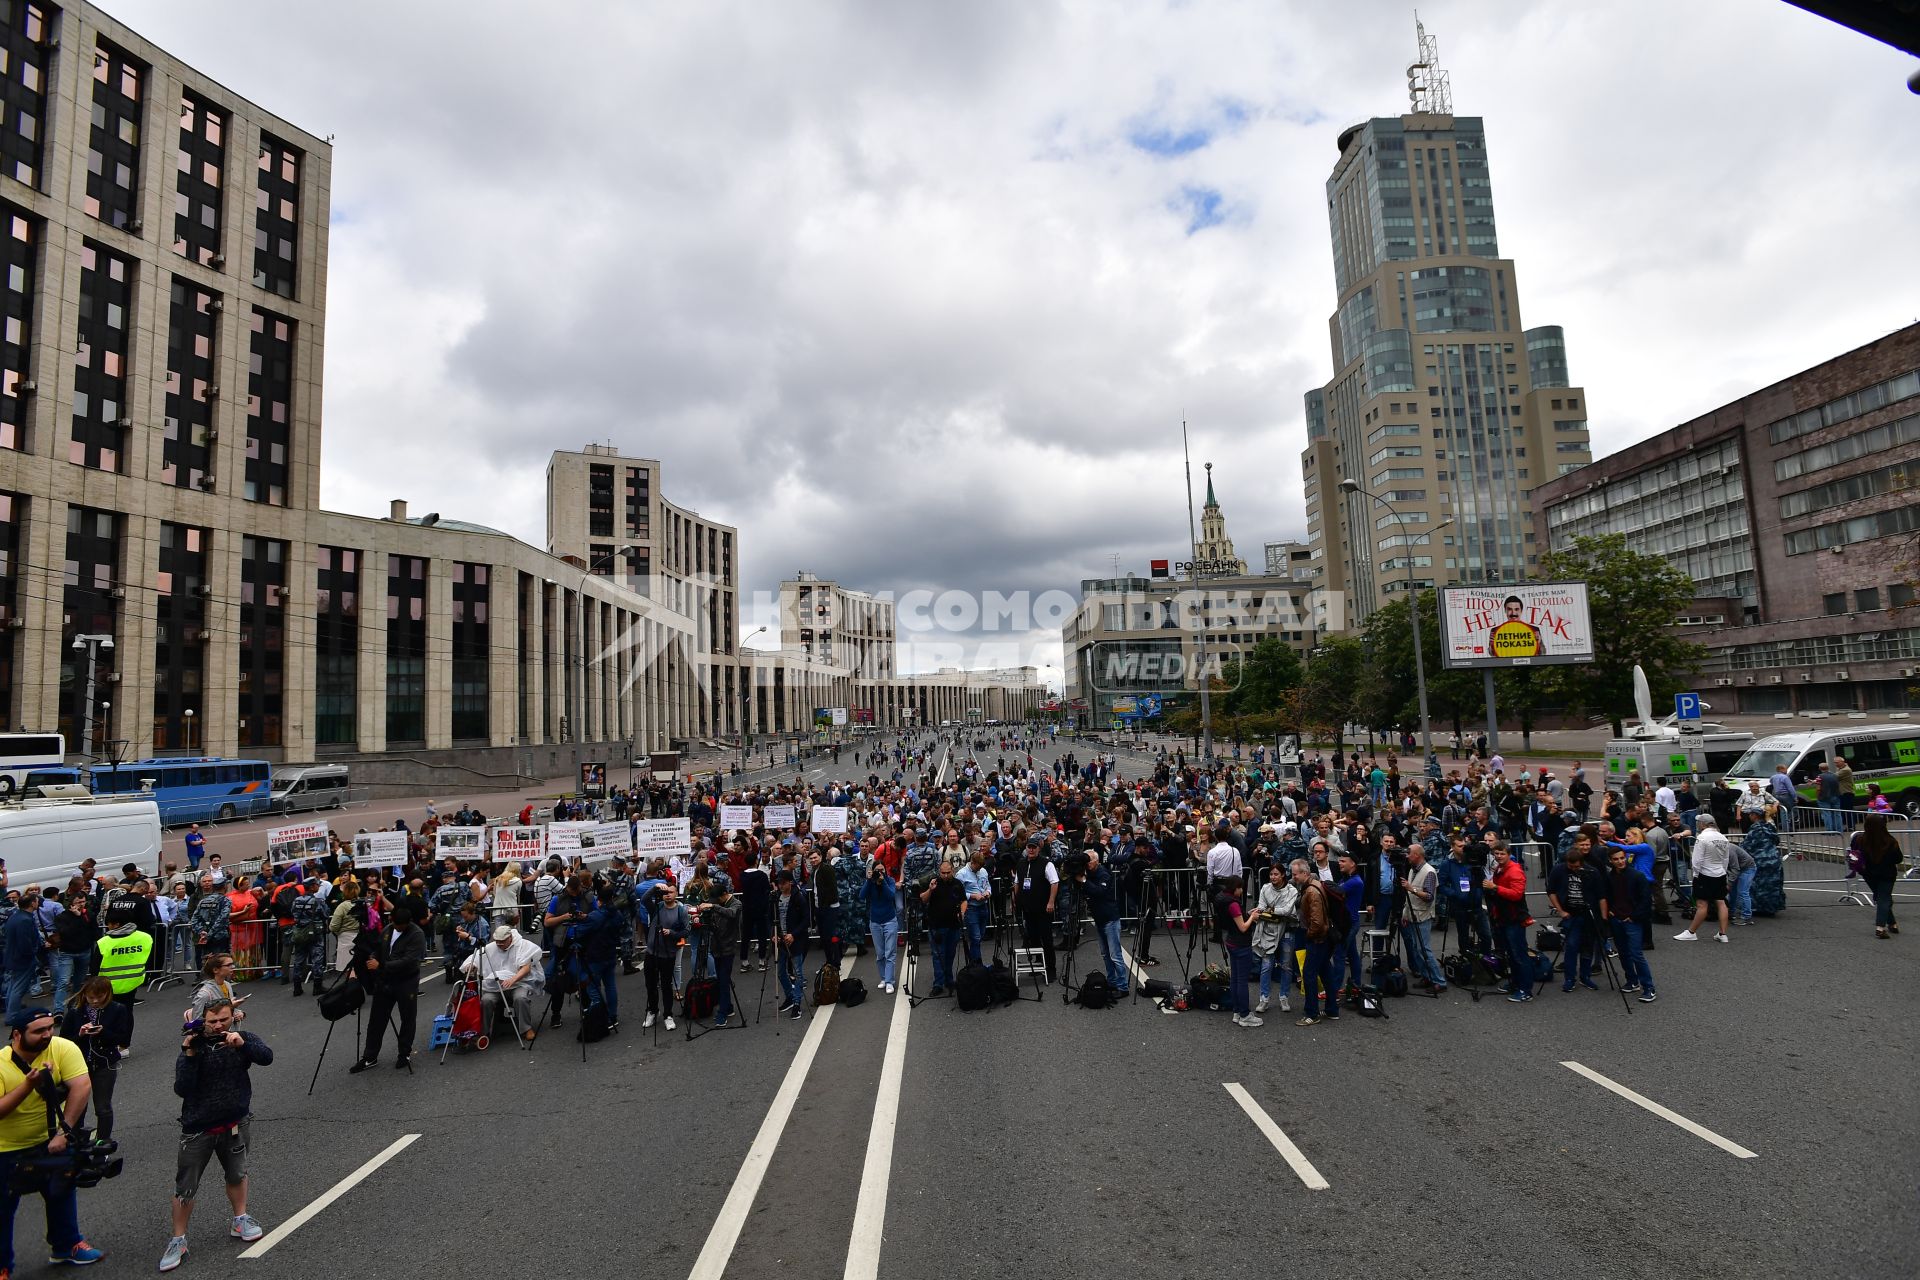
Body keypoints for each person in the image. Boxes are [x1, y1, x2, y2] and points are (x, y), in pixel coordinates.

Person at [160, 996, 271, 1272]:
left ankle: (240, 1218)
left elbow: (267, 1057)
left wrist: (242, 1044)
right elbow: (182, 1088)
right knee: (186, 1186)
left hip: (235, 1122)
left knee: (237, 1173)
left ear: (233, 1016)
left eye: (224, 1019)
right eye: (212, 1021)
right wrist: (189, 1052)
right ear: (202, 1022)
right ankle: (178, 1239)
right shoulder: (193, 1047)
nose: (219, 1025)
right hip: (199, 1127)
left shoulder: (242, 1039)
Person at [350, 904, 425, 1072]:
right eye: (395, 924)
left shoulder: (416, 934)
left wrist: (381, 965)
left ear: (408, 922)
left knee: (407, 1018)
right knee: (376, 1020)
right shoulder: (387, 930)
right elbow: (378, 949)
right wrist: (372, 957)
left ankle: (404, 1053)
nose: (397, 927)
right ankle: (370, 1056)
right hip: (384, 982)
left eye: (401, 926)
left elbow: (409, 961)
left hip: (406, 982)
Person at [58, 979, 128, 1144]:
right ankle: (75, 1142)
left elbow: (123, 1039)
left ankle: (103, 1143)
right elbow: (63, 1042)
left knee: (103, 1107)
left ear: (107, 994)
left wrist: (102, 1032)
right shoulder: (75, 1012)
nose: (95, 1001)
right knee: (77, 1107)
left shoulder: (118, 1010)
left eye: (100, 997)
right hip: (78, 1066)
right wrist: (81, 1034)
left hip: (104, 1064)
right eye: (91, 998)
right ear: (84, 995)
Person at [463, 925, 544, 1044]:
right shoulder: (491, 947)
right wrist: (471, 966)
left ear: (510, 937)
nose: (499, 944)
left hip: (518, 983)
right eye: (497, 941)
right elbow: (476, 957)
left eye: (502, 941)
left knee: (520, 998)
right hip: (495, 986)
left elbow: (526, 967)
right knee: (486, 1000)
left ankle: (526, 1028)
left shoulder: (522, 945)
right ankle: (483, 1032)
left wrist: (513, 979)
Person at [1546, 835, 1604, 993]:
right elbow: (1551, 890)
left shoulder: (1592, 872)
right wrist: (1560, 910)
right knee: (1571, 946)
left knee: (1587, 947)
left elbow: (1601, 895)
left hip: (1588, 914)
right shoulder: (1559, 869)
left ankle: (1585, 977)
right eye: (1570, 867)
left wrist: (1603, 918)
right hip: (1570, 914)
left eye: (1576, 867)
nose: (1573, 869)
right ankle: (1570, 978)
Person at [1601, 845, 1657, 1003]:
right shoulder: (1609, 877)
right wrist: (1610, 911)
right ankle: (1632, 981)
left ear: (1625, 857)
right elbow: (1607, 895)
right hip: (1616, 919)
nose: (1620, 861)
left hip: (1632, 920)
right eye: (1616, 859)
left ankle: (1648, 987)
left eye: (1621, 858)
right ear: (1610, 861)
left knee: (1636, 954)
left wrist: (1633, 916)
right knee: (1623, 953)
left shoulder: (1637, 876)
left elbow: (1646, 900)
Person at [1483, 841, 1533, 1003]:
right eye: (1496, 854)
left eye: (1502, 854)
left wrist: (1495, 888)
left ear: (1509, 854)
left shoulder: (1515, 871)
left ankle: (1526, 990)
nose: (1499, 856)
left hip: (1515, 918)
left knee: (1519, 955)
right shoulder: (1499, 868)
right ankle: (1515, 983)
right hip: (1503, 917)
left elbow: (1517, 894)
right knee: (1511, 954)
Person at [1292, 860, 1339, 1026]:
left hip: (1317, 938)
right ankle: (1332, 1009)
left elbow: (1317, 922)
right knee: (1326, 972)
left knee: (1309, 975)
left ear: (1305, 873)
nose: (1293, 877)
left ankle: (1311, 1013)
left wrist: (1308, 935)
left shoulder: (1311, 891)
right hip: (1324, 937)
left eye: (1295, 874)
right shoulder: (1315, 885)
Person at [1675, 816, 1735, 943]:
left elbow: (1696, 860)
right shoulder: (1723, 838)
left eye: (1698, 822)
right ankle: (1723, 934)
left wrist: (1696, 875)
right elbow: (1725, 859)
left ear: (1703, 824)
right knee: (1721, 902)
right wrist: (1722, 872)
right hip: (1720, 873)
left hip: (1705, 874)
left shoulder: (1702, 838)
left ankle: (1691, 932)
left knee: (1702, 904)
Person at [1397, 843, 1447, 992]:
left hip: (1423, 916)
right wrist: (1405, 914)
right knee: (1415, 948)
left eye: (1409, 853)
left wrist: (1411, 889)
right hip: (1412, 914)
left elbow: (1429, 897)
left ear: (1417, 855)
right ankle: (1427, 977)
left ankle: (1439, 981)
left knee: (1424, 949)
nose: (1406, 856)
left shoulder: (1429, 872)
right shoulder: (1413, 870)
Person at [1251, 862, 1298, 1014]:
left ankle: (1284, 997)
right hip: (1268, 930)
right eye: (1271, 874)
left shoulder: (1292, 890)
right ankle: (1263, 999)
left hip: (1287, 930)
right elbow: (1260, 905)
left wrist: (1268, 910)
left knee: (1286, 965)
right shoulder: (1265, 888)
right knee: (1266, 966)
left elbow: (1286, 910)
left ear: (1283, 875)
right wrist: (1270, 911)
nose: (1273, 877)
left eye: (1276, 874)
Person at [643, 882, 691, 1030]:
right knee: (650, 984)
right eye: (665, 892)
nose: (667, 895)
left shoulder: (680, 911)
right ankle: (652, 1011)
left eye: (671, 892)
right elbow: (644, 899)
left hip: (668, 954)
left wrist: (672, 933)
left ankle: (668, 1014)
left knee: (666, 986)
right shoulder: (657, 907)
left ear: (676, 893)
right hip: (651, 952)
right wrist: (655, 887)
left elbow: (687, 930)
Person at [918, 859, 967, 998]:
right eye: (943, 873)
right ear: (939, 872)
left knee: (950, 954)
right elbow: (923, 899)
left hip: (953, 926)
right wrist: (930, 890)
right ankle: (938, 984)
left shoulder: (957, 884)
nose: (945, 875)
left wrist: (962, 913)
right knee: (938, 955)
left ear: (952, 871)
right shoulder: (934, 883)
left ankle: (949, 980)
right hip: (937, 926)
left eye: (948, 872)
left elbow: (963, 900)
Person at [1014, 836, 1059, 983]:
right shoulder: (1021, 863)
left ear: (1038, 848)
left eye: (1034, 847)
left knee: (1046, 939)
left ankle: (1051, 968)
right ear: (1026, 848)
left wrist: (1051, 902)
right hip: (1027, 908)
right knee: (1032, 938)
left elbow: (1054, 883)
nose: (1031, 850)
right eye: (1029, 847)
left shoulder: (1047, 864)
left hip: (1043, 908)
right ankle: (1039, 965)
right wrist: (1015, 900)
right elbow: (1017, 883)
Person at [1216, 875, 1259, 1027]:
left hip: (1230, 941)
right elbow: (1243, 927)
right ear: (1235, 888)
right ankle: (1245, 1014)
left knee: (1234, 978)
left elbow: (1237, 920)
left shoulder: (1221, 898)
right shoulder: (1233, 904)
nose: (1242, 891)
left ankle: (1237, 1011)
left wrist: (1247, 914)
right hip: (1241, 944)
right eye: (1240, 888)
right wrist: (1252, 917)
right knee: (1242, 981)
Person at [1855, 813, 1904, 939]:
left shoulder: (1860, 839)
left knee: (1881, 897)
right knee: (1884, 898)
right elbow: (1898, 858)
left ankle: (1892, 924)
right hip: (1887, 874)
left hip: (1868, 874)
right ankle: (1880, 927)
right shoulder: (1890, 841)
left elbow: (1855, 855)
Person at [701, 882, 743, 1025]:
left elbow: (731, 914)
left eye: (718, 900)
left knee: (724, 981)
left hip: (728, 948)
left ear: (725, 894)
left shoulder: (736, 903)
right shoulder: (717, 902)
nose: (716, 902)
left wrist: (714, 907)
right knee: (721, 980)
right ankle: (728, 1007)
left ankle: (723, 1012)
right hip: (716, 946)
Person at [771, 871, 810, 1020]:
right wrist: (773, 934)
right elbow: (771, 918)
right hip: (780, 941)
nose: (780, 886)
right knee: (781, 972)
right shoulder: (775, 898)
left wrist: (793, 934)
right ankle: (790, 996)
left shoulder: (798, 897)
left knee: (798, 973)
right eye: (778, 883)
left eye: (783, 883)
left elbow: (806, 919)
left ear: (790, 883)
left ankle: (797, 1003)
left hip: (796, 940)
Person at [188, 953, 248, 1027]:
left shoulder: (227, 985)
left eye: (232, 964)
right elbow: (196, 1022)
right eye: (228, 965)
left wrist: (240, 1013)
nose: (233, 967)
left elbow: (228, 1011)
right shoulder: (204, 994)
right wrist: (230, 1006)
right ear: (215, 970)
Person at [957, 848, 994, 968]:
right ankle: (978, 966)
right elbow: (957, 894)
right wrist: (973, 896)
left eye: (980, 867)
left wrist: (988, 892)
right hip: (971, 909)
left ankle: (975, 964)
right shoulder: (961, 874)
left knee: (980, 937)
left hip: (983, 906)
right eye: (977, 867)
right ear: (972, 862)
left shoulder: (983, 871)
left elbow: (987, 885)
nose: (979, 869)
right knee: (975, 937)